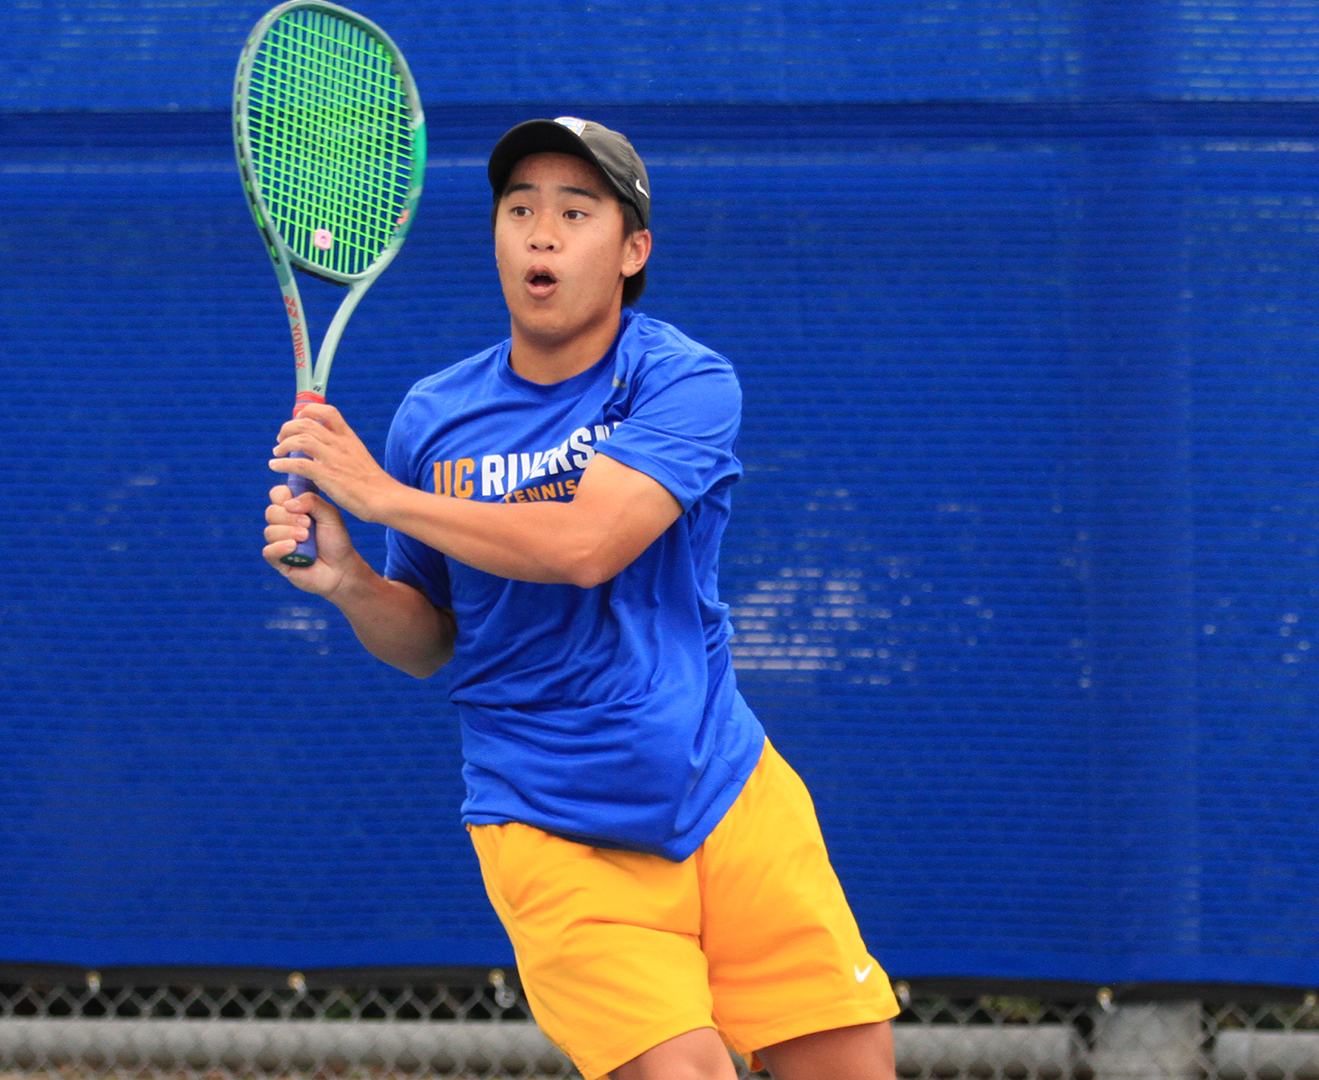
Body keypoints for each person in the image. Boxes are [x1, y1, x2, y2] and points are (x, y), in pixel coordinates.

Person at [260, 117, 899, 1080]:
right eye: (519, 210)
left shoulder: (682, 380)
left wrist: (381, 495)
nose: (542, 233)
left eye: (575, 210)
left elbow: (588, 545)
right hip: (551, 822)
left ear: (632, 249)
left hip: (725, 790)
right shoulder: (435, 418)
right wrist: (349, 581)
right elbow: (432, 638)